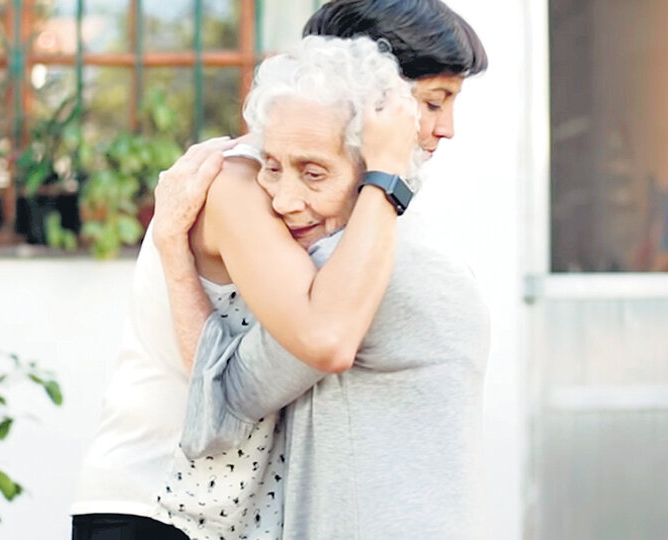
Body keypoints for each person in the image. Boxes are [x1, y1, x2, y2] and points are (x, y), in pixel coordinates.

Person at [70, 1, 487, 538]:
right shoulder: (241, 186)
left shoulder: (352, 215)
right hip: (157, 506)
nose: (445, 127)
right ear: (373, 97)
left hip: (220, 513)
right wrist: (172, 245)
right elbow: (319, 339)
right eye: (433, 101)